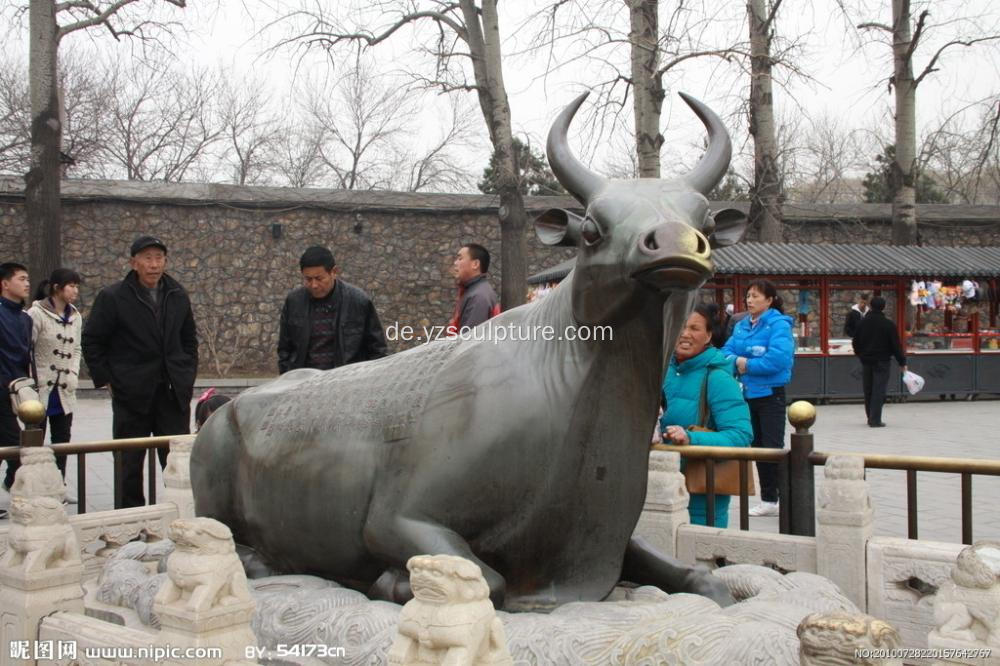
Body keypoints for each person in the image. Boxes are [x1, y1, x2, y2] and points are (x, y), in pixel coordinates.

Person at [82, 236, 198, 509]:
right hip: (132, 392)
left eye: (159, 258)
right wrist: (107, 380)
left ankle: (180, 513)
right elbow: (92, 340)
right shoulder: (113, 297)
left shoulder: (177, 294)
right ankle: (130, 520)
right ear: (134, 263)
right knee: (129, 462)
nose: (154, 264)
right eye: (147, 258)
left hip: (171, 392)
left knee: (176, 460)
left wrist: (186, 372)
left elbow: (189, 340)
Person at [660, 305, 753, 527]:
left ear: (708, 336)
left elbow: (740, 436)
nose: (684, 334)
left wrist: (692, 439)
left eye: (694, 328)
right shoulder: (660, 371)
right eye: (679, 326)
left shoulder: (718, 377)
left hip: (700, 497)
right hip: (660, 489)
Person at [722, 279, 795, 518]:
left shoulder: (778, 325)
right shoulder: (742, 325)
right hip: (747, 393)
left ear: (770, 300)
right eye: (748, 296)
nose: (750, 301)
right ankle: (769, 499)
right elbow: (726, 352)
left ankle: (787, 499)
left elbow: (778, 360)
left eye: (755, 296)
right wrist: (739, 361)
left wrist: (746, 363)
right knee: (757, 447)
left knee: (773, 448)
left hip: (771, 394)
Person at [278, 246, 387, 374]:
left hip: (347, 382)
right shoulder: (294, 302)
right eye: (308, 279)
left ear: (334, 272)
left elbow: (377, 350)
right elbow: (284, 349)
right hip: (304, 384)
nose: (314, 285)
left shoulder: (358, 301)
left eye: (319, 279)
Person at [28, 268, 84, 501]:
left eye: (77, 286)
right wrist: (30, 380)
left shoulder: (76, 316)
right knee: (35, 443)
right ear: (57, 288)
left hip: (64, 389)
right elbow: (27, 349)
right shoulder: (36, 313)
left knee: (62, 440)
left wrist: (73, 373)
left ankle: (58, 486)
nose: (75, 291)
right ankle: (30, 486)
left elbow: (77, 349)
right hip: (40, 388)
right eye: (71, 286)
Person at [0, 262, 32, 515]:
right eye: (21, 278)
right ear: (5, 283)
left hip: (16, 391)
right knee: (13, 445)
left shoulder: (24, 318)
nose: (27, 283)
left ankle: (12, 484)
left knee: (16, 446)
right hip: (1, 388)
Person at [852, 296, 907, 428]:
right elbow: (896, 346)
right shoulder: (888, 324)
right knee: (879, 389)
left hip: (866, 361)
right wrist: (902, 362)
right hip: (882, 361)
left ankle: (870, 416)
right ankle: (875, 419)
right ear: (883, 307)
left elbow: (855, 342)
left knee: (868, 389)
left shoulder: (862, 323)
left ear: (870, 306)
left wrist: (861, 355)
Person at [447, 243, 500, 334]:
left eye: (460, 259)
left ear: (475, 264)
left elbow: (469, 342)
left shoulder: (479, 297)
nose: (455, 263)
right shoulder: (474, 291)